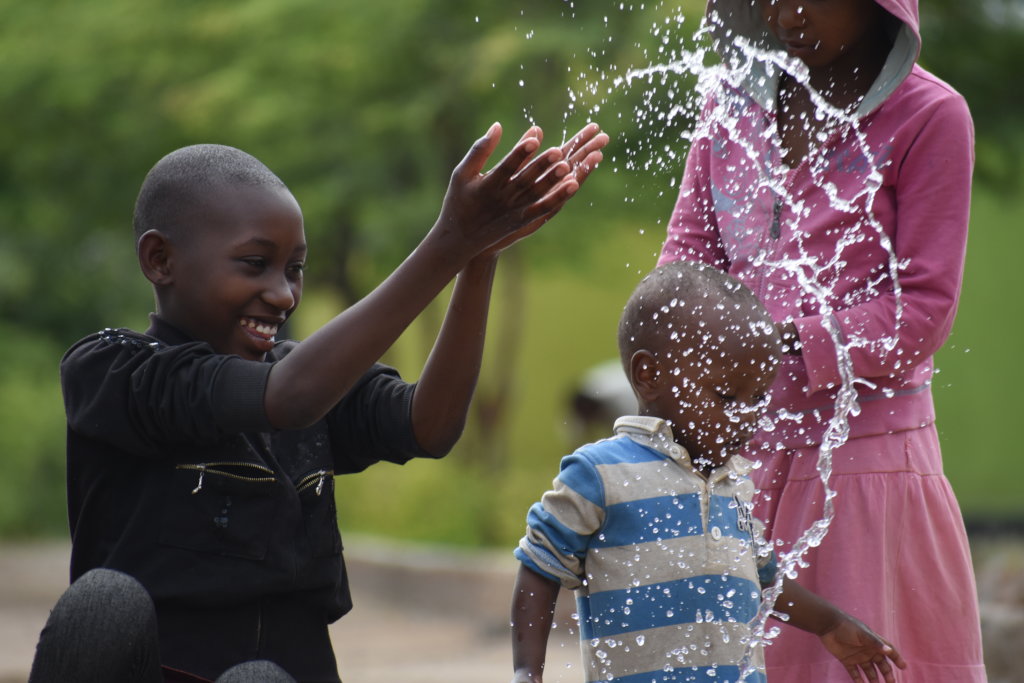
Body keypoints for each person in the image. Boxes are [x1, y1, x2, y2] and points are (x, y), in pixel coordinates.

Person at [46, 121, 608, 682]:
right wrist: (449, 241)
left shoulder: (302, 378)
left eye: (295, 270)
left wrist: (478, 256)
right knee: (104, 604)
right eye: (255, 263)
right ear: (160, 260)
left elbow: (431, 425)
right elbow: (288, 398)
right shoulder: (113, 371)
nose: (282, 294)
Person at [657, 0, 985, 681]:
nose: (785, 16)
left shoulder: (929, 116)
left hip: (860, 472)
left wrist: (785, 341)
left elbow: (923, 311)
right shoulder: (729, 106)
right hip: (737, 465)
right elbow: (684, 268)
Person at [510, 261, 907, 683]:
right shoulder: (601, 474)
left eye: (757, 398)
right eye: (726, 396)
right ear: (649, 376)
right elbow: (539, 567)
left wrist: (830, 623)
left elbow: (764, 579)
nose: (746, 417)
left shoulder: (732, 483)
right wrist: (526, 672)